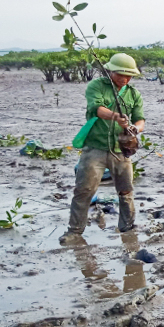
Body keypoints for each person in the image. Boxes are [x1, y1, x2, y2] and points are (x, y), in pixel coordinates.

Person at [59, 53, 145, 245]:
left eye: (129, 75)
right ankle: (74, 232)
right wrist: (115, 116)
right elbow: (96, 108)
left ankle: (128, 227)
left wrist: (134, 128)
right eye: (121, 74)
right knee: (84, 190)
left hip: (120, 150)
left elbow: (140, 119)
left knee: (126, 191)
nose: (125, 79)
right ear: (111, 71)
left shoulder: (133, 94)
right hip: (95, 149)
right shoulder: (96, 86)